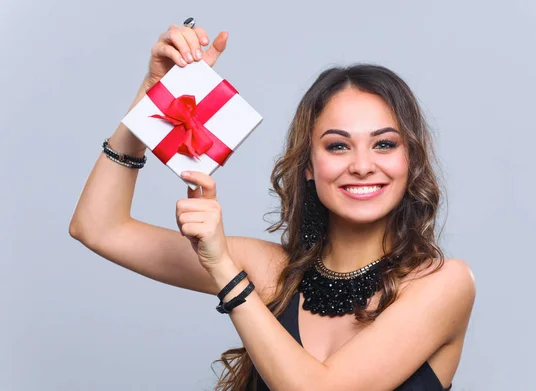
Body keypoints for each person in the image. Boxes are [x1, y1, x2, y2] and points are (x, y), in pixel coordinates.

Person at [69, 18, 476, 391]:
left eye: (384, 144)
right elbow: (98, 227)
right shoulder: (272, 274)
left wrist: (224, 268)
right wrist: (154, 100)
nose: (363, 165)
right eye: (338, 146)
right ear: (309, 167)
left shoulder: (442, 285)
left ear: (411, 160)